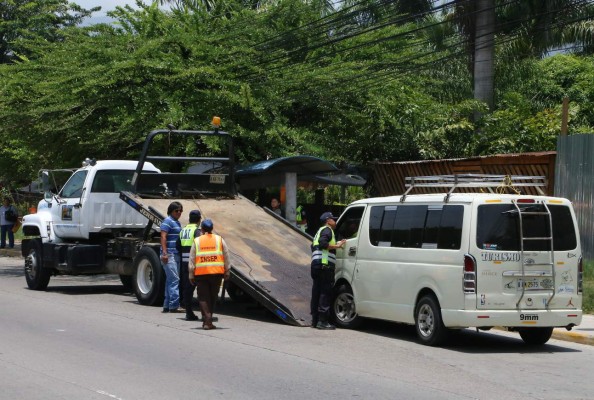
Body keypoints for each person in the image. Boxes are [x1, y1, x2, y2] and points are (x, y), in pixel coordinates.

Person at [189, 219, 230, 330]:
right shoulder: (219, 240)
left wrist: (191, 274)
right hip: (216, 273)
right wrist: (227, 271)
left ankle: (207, 320)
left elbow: (192, 259)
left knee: (203, 297)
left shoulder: (197, 241)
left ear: (202, 229)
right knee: (212, 297)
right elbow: (226, 255)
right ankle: (208, 321)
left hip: (201, 274)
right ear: (212, 228)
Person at [310, 211, 346, 330]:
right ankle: (323, 321)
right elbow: (323, 244)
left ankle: (315, 320)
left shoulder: (319, 231)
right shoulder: (327, 230)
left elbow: (314, 246)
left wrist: (335, 244)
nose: (334, 221)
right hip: (324, 266)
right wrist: (338, 246)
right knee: (325, 293)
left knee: (316, 292)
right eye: (333, 219)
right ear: (327, 220)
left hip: (316, 266)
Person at [177, 210, 202, 321]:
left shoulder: (183, 230)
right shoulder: (196, 231)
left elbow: (177, 246)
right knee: (200, 288)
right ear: (199, 220)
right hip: (194, 263)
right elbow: (200, 246)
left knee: (187, 288)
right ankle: (205, 313)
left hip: (184, 263)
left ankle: (188, 312)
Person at [160, 201, 183, 313]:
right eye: (176, 210)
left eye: (180, 211)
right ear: (171, 211)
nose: (179, 212)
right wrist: (164, 253)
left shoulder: (177, 222)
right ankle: (174, 305)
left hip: (176, 254)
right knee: (174, 280)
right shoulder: (167, 221)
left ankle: (166, 305)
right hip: (169, 255)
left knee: (170, 280)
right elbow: (163, 237)